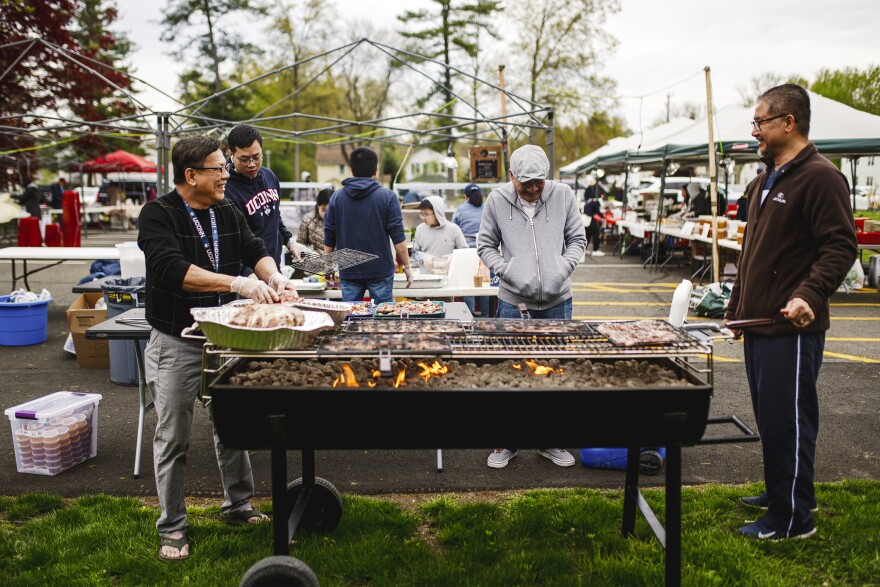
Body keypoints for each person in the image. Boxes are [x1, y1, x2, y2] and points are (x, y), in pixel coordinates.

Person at [137, 135, 298, 561]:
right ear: (191, 175)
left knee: (232, 422)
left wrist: (273, 275)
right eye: (218, 168)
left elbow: (254, 249)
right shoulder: (158, 214)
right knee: (173, 436)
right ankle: (172, 527)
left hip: (225, 334)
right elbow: (171, 270)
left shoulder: (226, 208)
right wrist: (237, 283)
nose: (227, 174)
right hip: (178, 340)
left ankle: (238, 505)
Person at [724, 84, 857, 541]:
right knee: (771, 418)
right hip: (759, 323)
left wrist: (810, 294)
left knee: (790, 419)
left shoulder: (821, 176)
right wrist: (737, 307)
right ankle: (784, 491)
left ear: (788, 122)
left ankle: (793, 520)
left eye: (760, 122)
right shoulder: (766, 178)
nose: (755, 130)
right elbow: (753, 251)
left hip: (792, 326)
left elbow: (841, 247)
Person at [477, 144, 586, 469]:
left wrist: (561, 269)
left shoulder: (563, 194)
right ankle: (506, 441)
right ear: (512, 177)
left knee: (553, 368)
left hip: (558, 301)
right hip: (513, 301)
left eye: (539, 183)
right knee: (512, 369)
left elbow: (577, 240)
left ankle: (550, 440)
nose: (534, 190)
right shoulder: (497, 200)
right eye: (526, 185)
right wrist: (508, 271)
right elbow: (485, 245)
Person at [323, 146, 413, 302]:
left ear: (351, 169)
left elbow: (329, 235)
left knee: (350, 320)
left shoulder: (337, 198)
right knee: (382, 321)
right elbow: (398, 238)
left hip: (349, 271)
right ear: (376, 169)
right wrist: (407, 267)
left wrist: (328, 266)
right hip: (380, 270)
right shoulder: (388, 197)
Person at [224, 124, 309, 276]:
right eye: (244, 159)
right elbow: (231, 243)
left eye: (256, 157)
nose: (251, 164)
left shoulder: (270, 177)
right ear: (231, 153)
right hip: (247, 277)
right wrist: (249, 278)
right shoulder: (226, 189)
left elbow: (275, 218)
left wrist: (290, 242)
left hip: (274, 270)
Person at [452, 183, 492, 316]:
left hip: (466, 250)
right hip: (485, 249)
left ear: (465, 197)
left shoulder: (460, 209)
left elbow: (454, 230)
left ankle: (470, 315)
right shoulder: (487, 207)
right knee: (485, 283)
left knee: (468, 282)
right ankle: (486, 317)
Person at [412, 196, 468, 270]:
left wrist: (453, 257)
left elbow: (465, 252)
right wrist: (423, 257)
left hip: (448, 275)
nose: (423, 217)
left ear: (437, 213)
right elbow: (414, 253)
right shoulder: (420, 229)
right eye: (422, 214)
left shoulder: (453, 229)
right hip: (427, 276)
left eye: (427, 214)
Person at [296, 187, 332, 252]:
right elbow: (300, 243)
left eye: (331, 210)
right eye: (324, 209)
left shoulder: (340, 220)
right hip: (314, 258)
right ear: (318, 205)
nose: (327, 214)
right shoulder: (308, 219)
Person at [582, 178, 604, 256]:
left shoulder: (588, 197)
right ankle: (595, 249)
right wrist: (603, 216)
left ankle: (583, 250)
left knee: (587, 234)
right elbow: (598, 212)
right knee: (595, 234)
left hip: (587, 218)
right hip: (591, 218)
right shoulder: (595, 201)